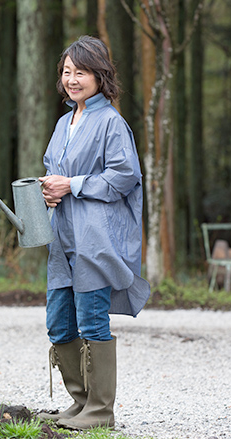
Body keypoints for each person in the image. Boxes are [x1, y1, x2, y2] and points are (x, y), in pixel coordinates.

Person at [37, 35, 150, 430]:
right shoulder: (63, 121)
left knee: (91, 320)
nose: (72, 79)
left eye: (80, 72)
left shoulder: (110, 122)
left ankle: (100, 411)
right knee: (59, 321)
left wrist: (73, 184)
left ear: (100, 76)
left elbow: (124, 176)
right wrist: (50, 188)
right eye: (67, 72)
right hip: (62, 237)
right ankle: (80, 402)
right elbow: (58, 170)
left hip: (94, 238)